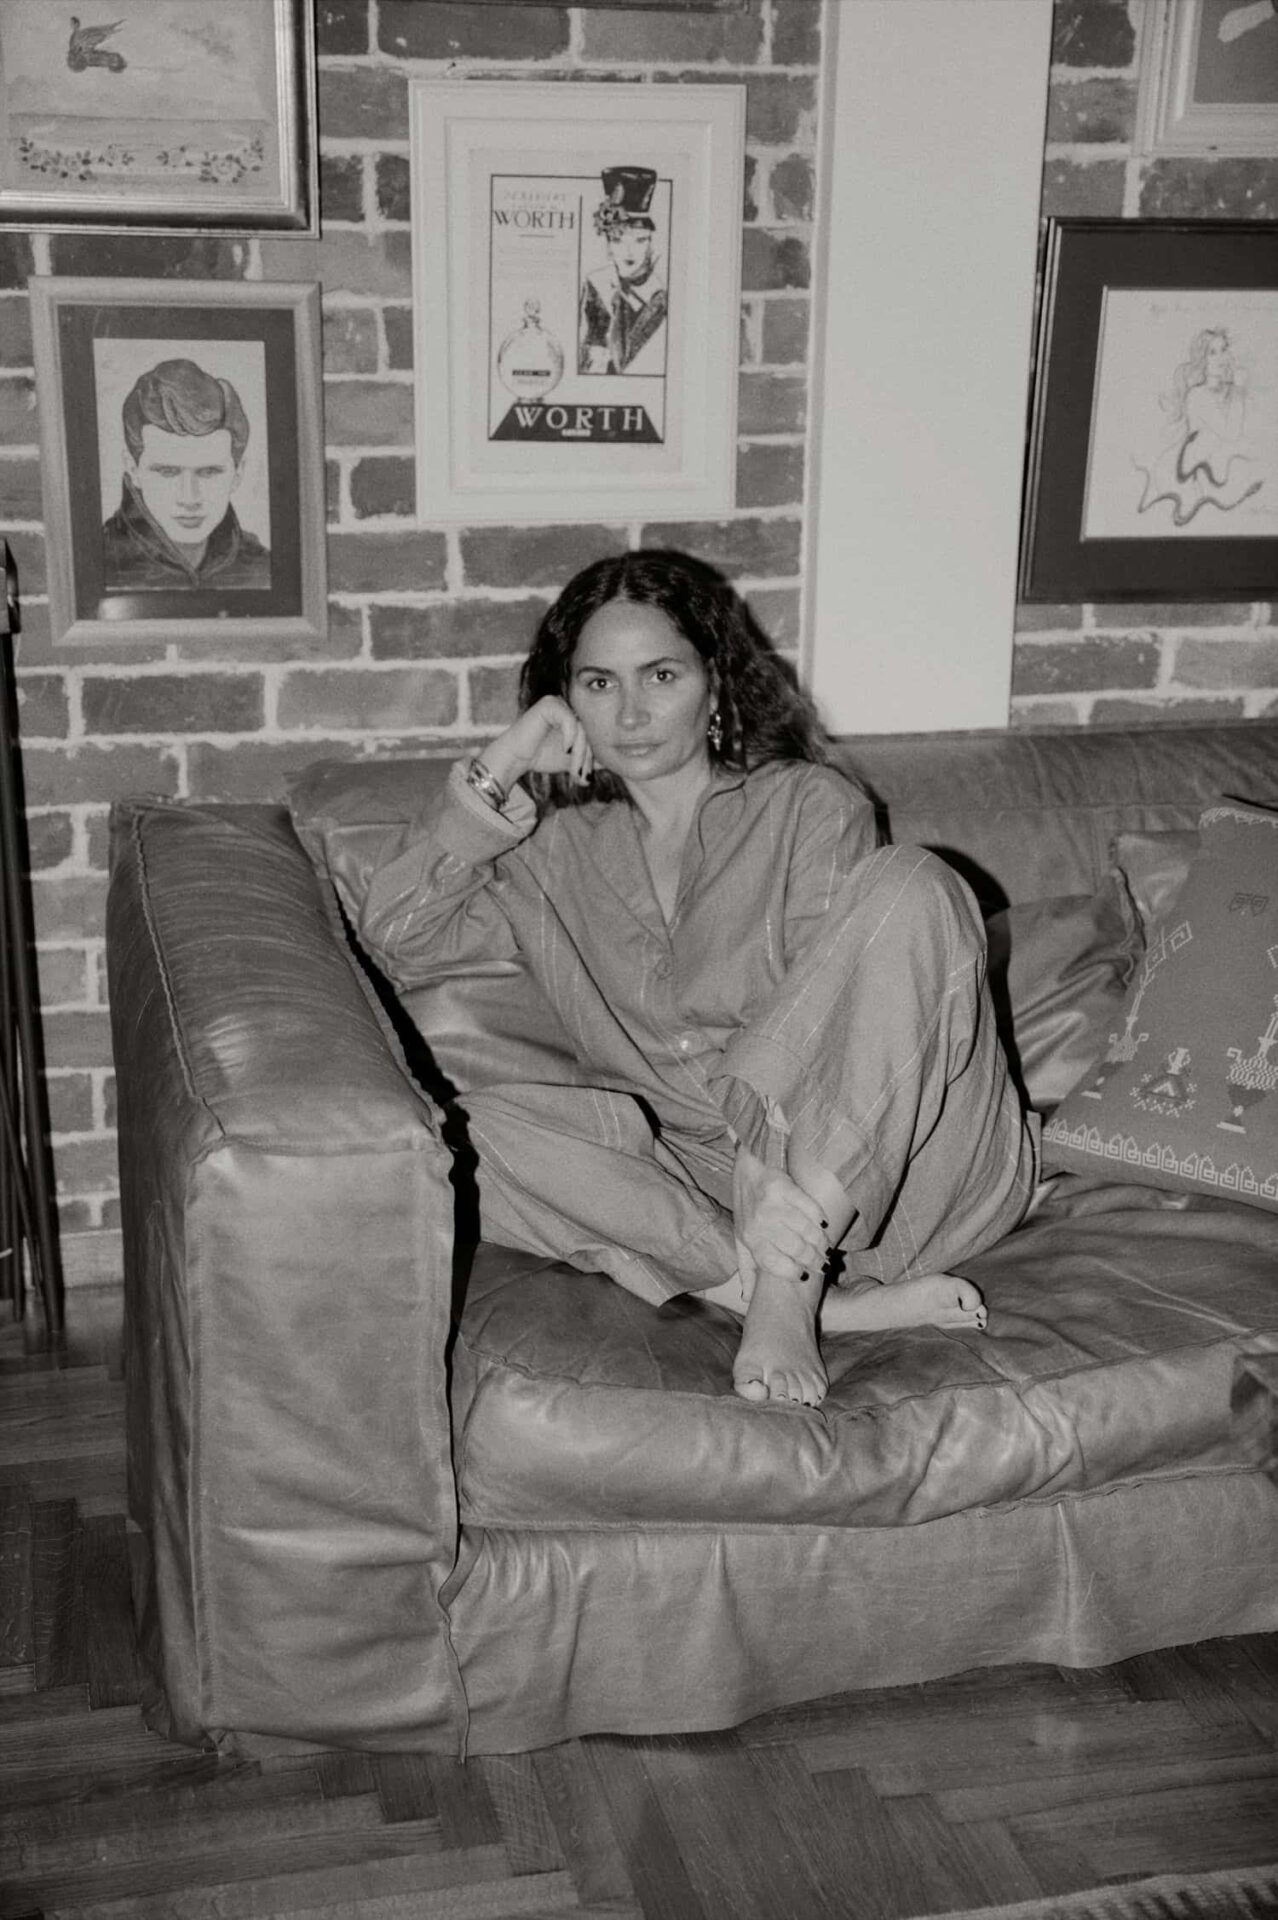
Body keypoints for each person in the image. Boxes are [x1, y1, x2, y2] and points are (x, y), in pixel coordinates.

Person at [357, 551, 1036, 1409]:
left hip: (907, 1173)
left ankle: (788, 1288)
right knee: (462, 1137)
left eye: (662, 676)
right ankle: (785, 1293)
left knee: (917, 883)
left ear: (714, 685)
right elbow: (396, 933)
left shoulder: (808, 806)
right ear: (565, 701)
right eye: (598, 684)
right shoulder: (549, 853)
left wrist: (763, 1162)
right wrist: (505, 761)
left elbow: (835, 1027)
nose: (631, 713)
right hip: (708, 1196)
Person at [101, 357, 270, 592]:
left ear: (238, 474)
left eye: (209, 472)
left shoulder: (263, 569)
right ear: (133, 470)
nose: (189, 498)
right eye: (167, 472)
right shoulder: (98, 566)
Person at [578, 166, 668, 376]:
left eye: (640, 240)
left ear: (651, 243)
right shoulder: (597, 284)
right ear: (608, 244)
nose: (629, 252)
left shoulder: (659, 296)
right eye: (618, 240)